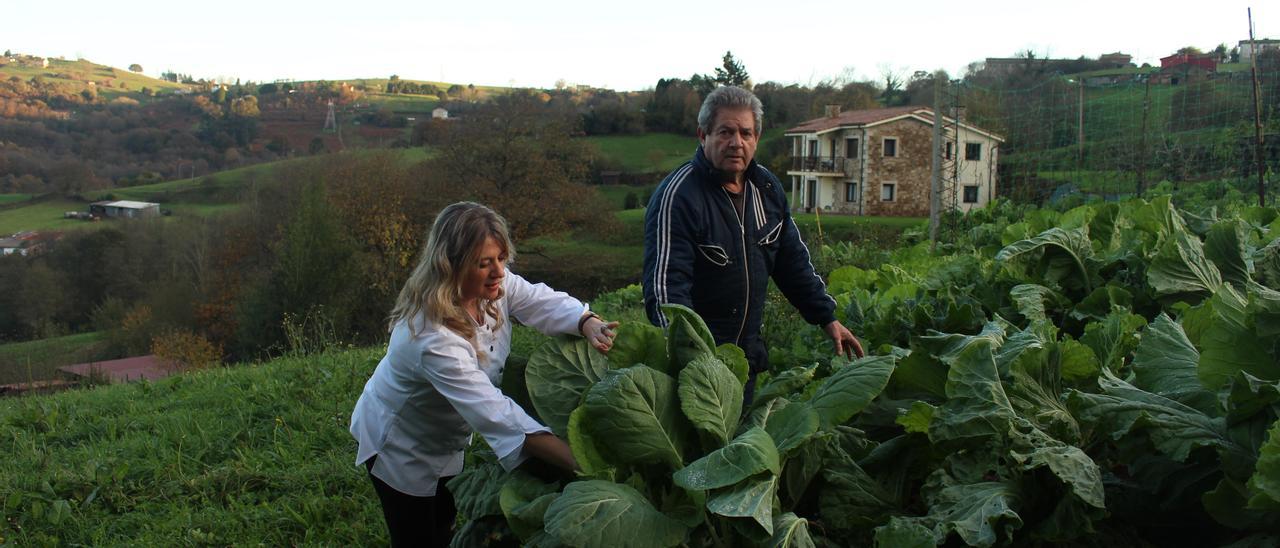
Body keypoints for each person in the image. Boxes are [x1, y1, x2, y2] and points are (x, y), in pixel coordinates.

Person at [350, 202, 617, 547]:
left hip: (445, 432)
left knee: (443, 517)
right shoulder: (431, 336)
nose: (498, 272)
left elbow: (538, 299)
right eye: (484, 263)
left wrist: (585, 321)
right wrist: (583, 464)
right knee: (416, 533)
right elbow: (498, 414)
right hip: (402, 442)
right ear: (452, 265)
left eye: (502, 259)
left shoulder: (493, 286)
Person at [642, 86, 863, 400]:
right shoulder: (678, 197)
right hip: (694, 368)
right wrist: (693, 360)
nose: (737, 143)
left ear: (757, 138)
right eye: (725, 132)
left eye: (746, 133)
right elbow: (666, 291)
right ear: (702, 135)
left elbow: (792, 262)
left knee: (738, 444)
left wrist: (827, 317)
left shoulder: (767, 188)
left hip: (745, 360)